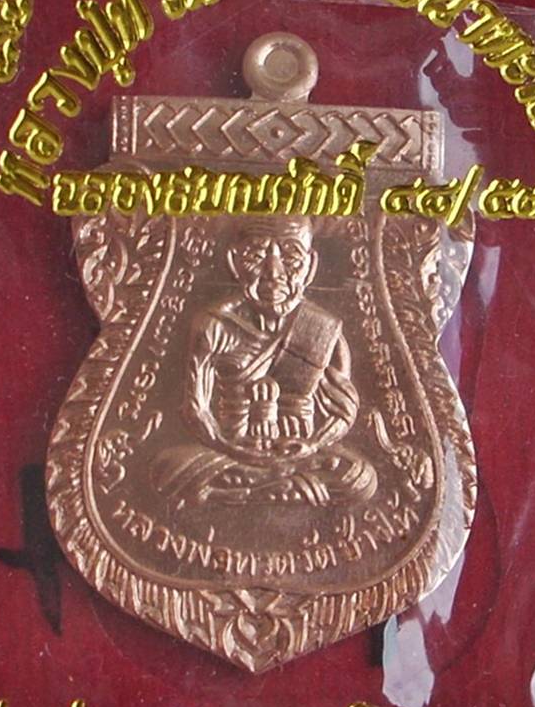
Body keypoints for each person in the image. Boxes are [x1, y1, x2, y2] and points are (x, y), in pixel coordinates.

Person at [153, 215, 377, 507]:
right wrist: (237, 449)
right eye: (256, 256)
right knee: (167, 470)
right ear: (234, 263)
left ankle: (241, 493)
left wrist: (312, 444)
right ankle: (277, 489)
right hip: (231, 450)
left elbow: (343, 413)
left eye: (291, 257)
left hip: (299, 453)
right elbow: (196, 410)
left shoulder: (322, 328)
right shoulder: (214, 325)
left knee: (360, 478)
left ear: (310, 267)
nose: (274, 272)